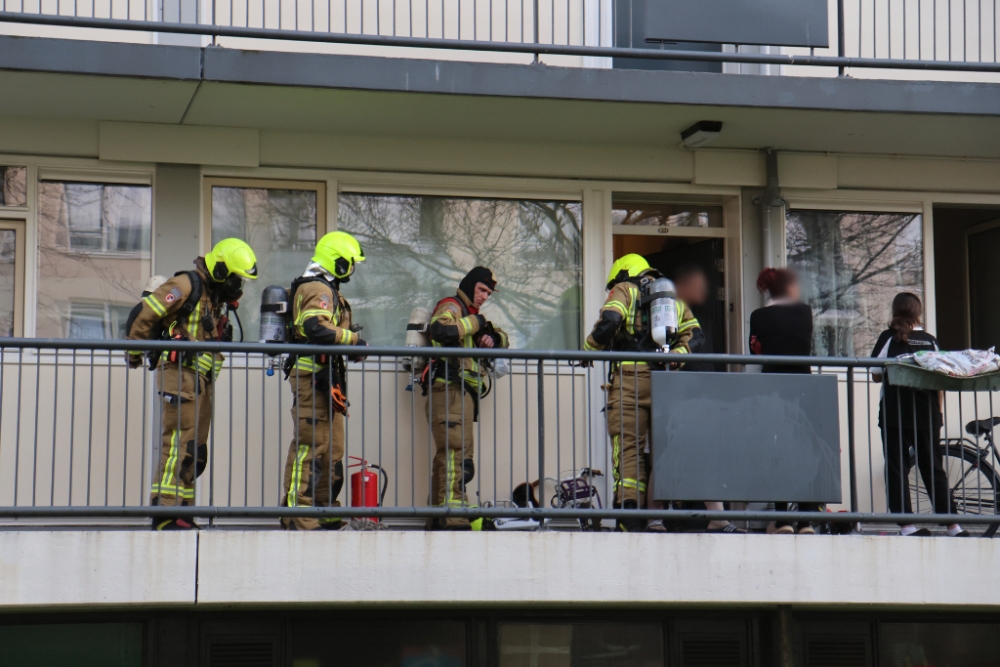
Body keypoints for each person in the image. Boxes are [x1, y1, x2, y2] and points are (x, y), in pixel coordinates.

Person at [127, 238, 258, 530]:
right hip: (180, 373)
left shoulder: (212, 297)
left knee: (194, 450)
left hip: (200, 381)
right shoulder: (185, 285)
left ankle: (182, 512)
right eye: (236, 279)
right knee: (176, 444)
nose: (238, 288)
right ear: (222, 270)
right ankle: (165, 515)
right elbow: (145, 314)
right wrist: (134, 354)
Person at [584, 254, 698, 532]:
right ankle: (671, 514)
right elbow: (696, 335)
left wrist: (588, 349)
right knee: (665, 450)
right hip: (666, 382)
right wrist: (677, 356)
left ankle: (630, 516)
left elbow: (610, 320)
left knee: (628, 449)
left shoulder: (624, 290)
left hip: (629, 381)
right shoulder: (671, 297)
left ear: (623, 273)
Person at [281, 231, 368, 531]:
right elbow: (315, 328)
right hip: (312, 378)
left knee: (331, 449)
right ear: (338, 261)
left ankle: (324, 510)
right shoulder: (318, 288)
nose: (352, 270)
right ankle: (297, 515)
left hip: (326, 379)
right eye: (350, 263)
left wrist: (347, 347)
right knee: (310, 445)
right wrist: (353, 340)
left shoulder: (326, 288)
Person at [871, 293, 967, 537]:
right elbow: (940, 379)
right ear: (918, 312)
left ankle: (907, 526)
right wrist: (939, 413)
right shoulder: (930, 341)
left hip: (895, 413)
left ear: (895, 312)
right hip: (927, 414)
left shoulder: (888, 338)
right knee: (933, 467)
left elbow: (874, 373)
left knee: (897, 467)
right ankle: (953, 525)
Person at [426, 266, 509, 530]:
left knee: (449, 457)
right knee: (457, 458)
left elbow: (502, 338)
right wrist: (477, 324)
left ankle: (439, 518)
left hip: (460, 395)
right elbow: (439, 332)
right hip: (449, 391)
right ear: (470, 284)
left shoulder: (472, 315)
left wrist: (492, 337)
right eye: (482, 289)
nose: (485, 296)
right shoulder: (452, 306)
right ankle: (455, 520)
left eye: (488, 293)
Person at [661, 263, 742, 534]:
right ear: (683, 285)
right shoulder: (670, 313)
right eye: (698, 283)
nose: (703, 289)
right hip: (684, 394)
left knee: (682, 453)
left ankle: (659, 516)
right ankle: (707, 517)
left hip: (694, 393)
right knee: (691, 452)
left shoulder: (693, 314)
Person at [748, 267, 821, 534]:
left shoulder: (759, 316)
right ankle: (805, 520)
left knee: (777, 451)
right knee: (804, 449)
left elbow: (755, 352)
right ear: (790, 289)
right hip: (803, 388)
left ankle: (782, 519)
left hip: (773, 389)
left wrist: (762, 347)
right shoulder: (804, 312)